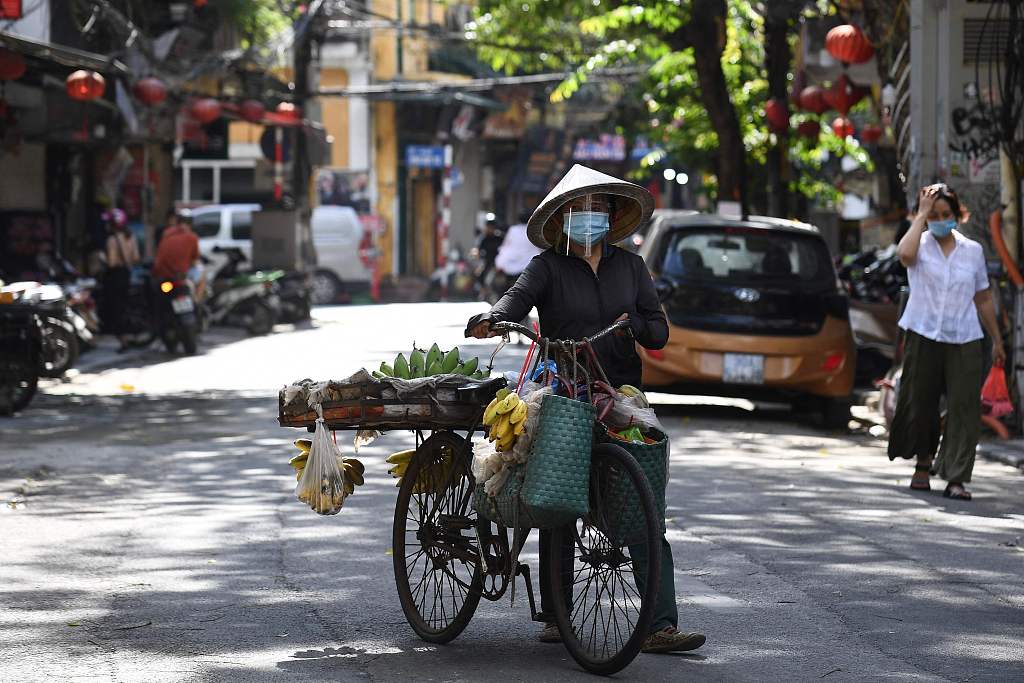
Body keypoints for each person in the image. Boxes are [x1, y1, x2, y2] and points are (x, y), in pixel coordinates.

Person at [465, 164, 706, 654]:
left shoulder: (631, 267)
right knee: (560, 499)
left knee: (645, 510)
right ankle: (558, 612)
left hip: (621, 397)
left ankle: (659, 624)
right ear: (563, 218)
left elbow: (659, 333)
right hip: (563, 393)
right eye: (580, 208)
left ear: (612, 216)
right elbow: (516, 300)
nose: (590, 216)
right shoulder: (548, 266)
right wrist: (494, 318)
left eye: (598, 208)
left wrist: (632, 322)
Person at [888, 183, 1005, 500]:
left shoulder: (972, 251)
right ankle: (923, 463)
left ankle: (956, 476)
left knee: (964, 407)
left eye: (946, 214)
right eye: (934, 215)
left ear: (958, 215)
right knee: (921, 402)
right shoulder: (920, 243)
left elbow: (981, 298)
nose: (940, 220)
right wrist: (921, 216)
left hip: (964, 336)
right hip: (923, 333)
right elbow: (904, 255)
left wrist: (996, 340)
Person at [101, 208, 140, 352]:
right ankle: (129, 337)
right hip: (127, 274)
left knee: (116, 308)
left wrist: (102, 258)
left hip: (115, 276)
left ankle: (123, 341)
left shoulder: (112, 239)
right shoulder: (131, 237)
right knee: (124, 306)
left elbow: (111, 262)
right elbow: (136, 258)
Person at [153, 211, 204, 299]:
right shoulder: (192, 237)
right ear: (190, 223)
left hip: (162, 276)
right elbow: (195, 260)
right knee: (202, 275)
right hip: (180, 276)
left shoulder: (166, 233)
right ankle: (196, 302)